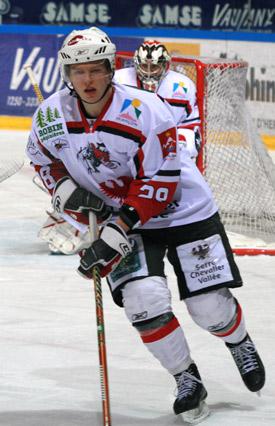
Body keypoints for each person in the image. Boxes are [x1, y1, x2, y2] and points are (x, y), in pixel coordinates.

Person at [26, 27, 265, 422]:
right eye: (78, 71)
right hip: (122, 218)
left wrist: (114, 233)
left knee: (208, 308)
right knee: (143, 303)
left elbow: (162, 181)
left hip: (184, 211)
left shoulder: (146, 109)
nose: (87, 80)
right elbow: (41, 158)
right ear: (68, 74)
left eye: (95, 70)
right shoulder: (52, 114)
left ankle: (237, 340)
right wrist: (69, 193)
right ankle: (186, 378)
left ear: (109, 68)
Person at [114, 40, 201, 161]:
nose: (149, 72)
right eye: (144, 66)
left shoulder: (183, 87)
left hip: (168, 147)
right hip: (127, 145)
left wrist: (175, 147)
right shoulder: (118, 80)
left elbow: (190, 126)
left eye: (154, 66)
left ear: (165, 65)